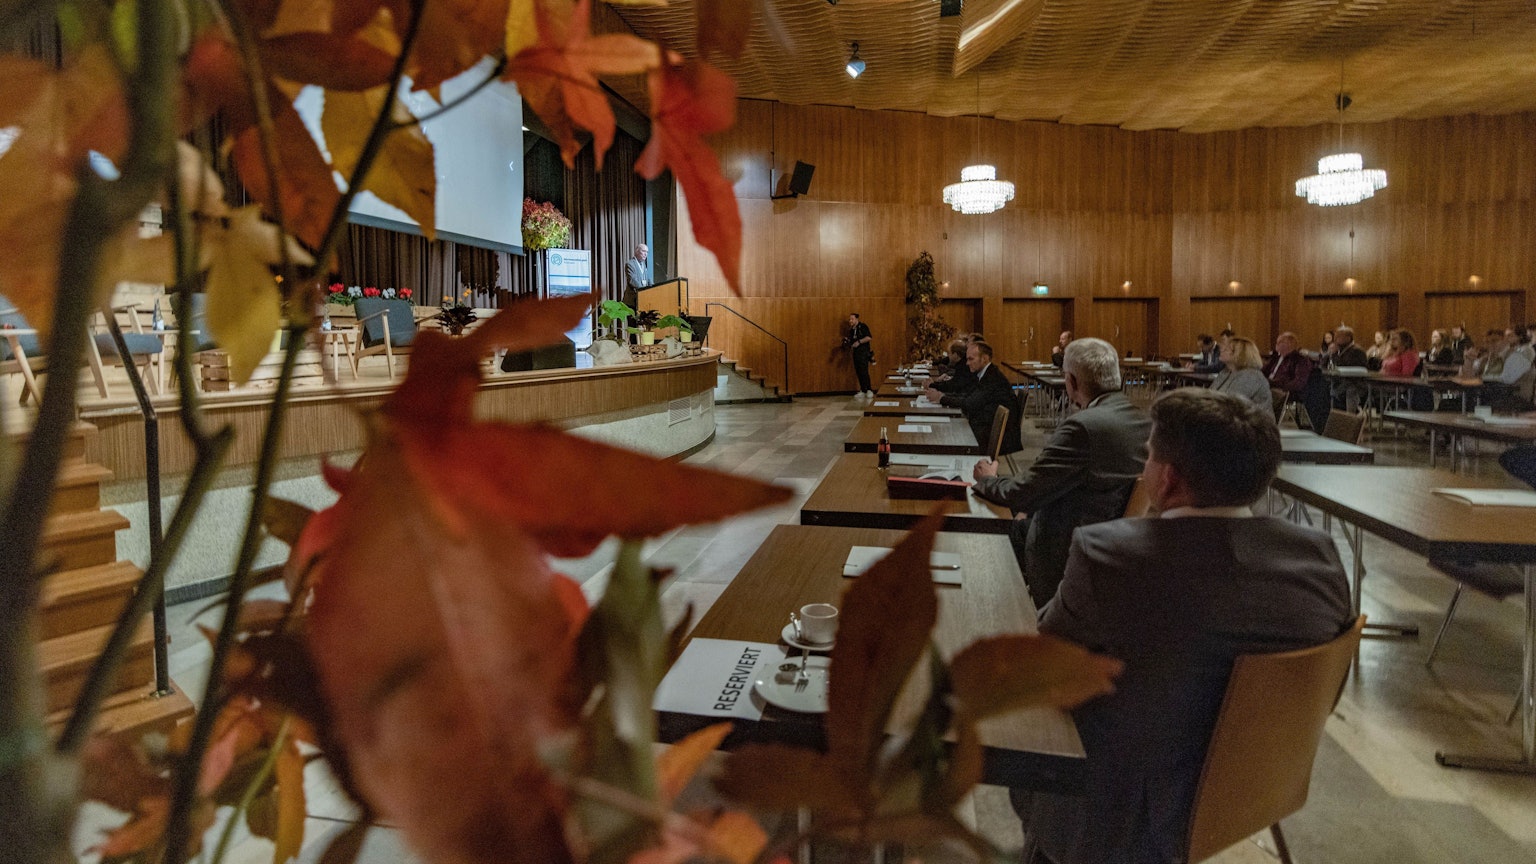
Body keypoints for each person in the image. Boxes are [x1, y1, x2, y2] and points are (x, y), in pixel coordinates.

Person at [1011, 388, 1353, 864]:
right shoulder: (1320, 555)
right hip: (1255, 786)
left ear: (1168, 478)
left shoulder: (1111, 554)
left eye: (1148, 454)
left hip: (1117, 811)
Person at [971, 338, 1150, 607]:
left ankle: (997, 619)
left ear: (1071, 382)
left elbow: (1024, 491)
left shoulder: (1082, 427)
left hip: (1062, 549)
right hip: (1111, 547)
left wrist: (989, 480)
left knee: (982, 533)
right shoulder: (1144, 421)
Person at [926, 341, 1022, 456]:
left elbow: (969, 404)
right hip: (985, 427)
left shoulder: (992, 378)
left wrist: (941, 398)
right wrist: (942, 396)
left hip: (993, 436)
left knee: (944, 434)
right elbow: (967, 395)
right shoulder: (984, 374)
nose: (967, 363)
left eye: (971, 359)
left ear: (985, 358)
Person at [1208, 336, 1272, 408]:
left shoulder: (1251, 376)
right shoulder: (1225, 372)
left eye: (1227, 349)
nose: (1221, 350)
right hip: (1228, 415)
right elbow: (1210, 395)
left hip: (1251, 418)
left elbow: (1231, 403)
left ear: (1240, 354)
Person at [1321, 325, 1369, 411]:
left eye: (1339, 336)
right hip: (1339, 382)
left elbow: (1356, 370)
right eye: (1336, 336)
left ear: (1348, 338)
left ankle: (1350, 417)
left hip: (1355, 383)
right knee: (1323, 387)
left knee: (1350, 390)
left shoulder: (1357, 351)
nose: (1335, 339)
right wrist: (1329, 353)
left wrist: (1337, 357)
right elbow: (1324, 365)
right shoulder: (1337, 350)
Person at [1261, 331, 1313, 396]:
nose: (1276, 344)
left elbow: (1299, 383)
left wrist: (1279, 386)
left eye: (1279, 342)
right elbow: (1263, 372)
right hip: (1268, 387)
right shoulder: (1276, 357)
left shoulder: (1300, 360)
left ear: (1288, 344)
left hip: (1282, 392)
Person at [846, 312, 874, 397]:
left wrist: (859, 342)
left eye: (852, 319)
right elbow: (851, 341)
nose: (850, 321)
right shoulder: (851, 330)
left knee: (864, 371)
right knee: (858, 371)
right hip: (856, 353)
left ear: (857, 319)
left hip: (863, 352)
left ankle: (869, 389)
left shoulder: (863, 327)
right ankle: (863, 389)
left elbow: (869, 337)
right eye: (850, 319)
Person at [622, 243, 650, 309]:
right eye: (643, 251)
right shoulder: (630, 264)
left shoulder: (644, 265)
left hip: (643, 300)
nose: (645, 254)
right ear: (637, 251)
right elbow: (632, 281)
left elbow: (648, 280)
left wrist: (655, 288)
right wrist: (644, 291)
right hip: (632, 302)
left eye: (647, 252)